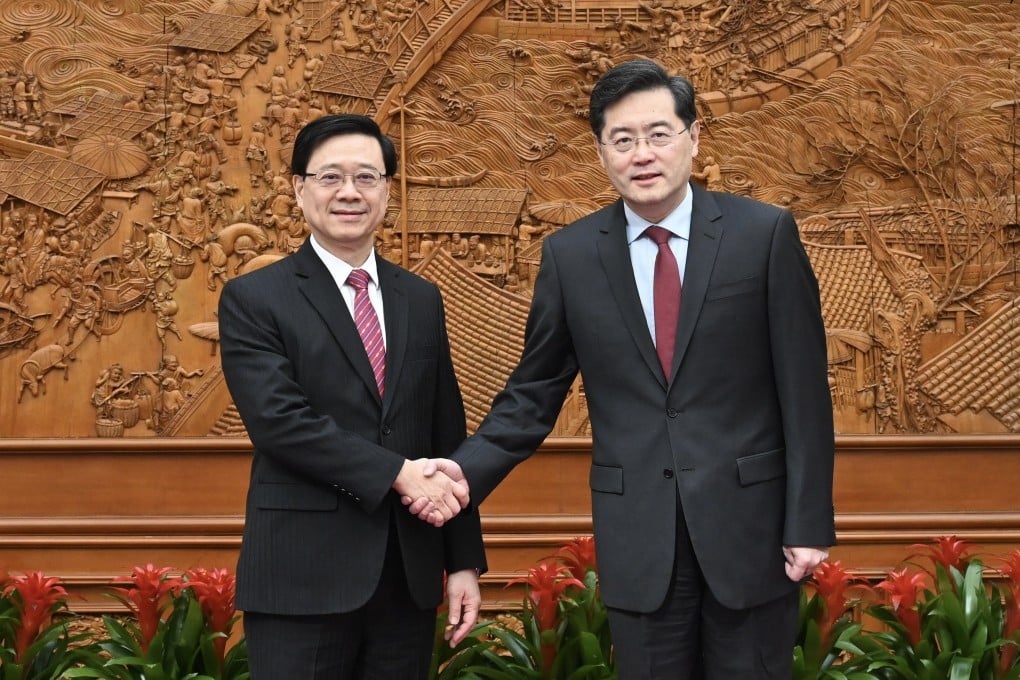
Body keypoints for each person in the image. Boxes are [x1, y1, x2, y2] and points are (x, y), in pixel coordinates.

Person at [409, 58, 835, 679]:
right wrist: (460, 476)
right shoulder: (571, 255)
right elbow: (533, 395)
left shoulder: (763, 234)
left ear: (693, 137)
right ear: (601, 152)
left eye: (659, 134)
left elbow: (805, 392)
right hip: (639, 536)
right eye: (622, 139)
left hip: (754, 532)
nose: (642, 154)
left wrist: (808, 521)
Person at [218, 114, 485, 679]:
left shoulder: (421, 298)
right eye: (330, 177)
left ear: (387, 189)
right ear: (299, 188)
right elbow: (279, 422)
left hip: (407, 577)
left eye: (367, 177)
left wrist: (463, 562)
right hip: (301, 576)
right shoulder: (254, 298)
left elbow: (446, 431)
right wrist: (398, 473)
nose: (349, 193)